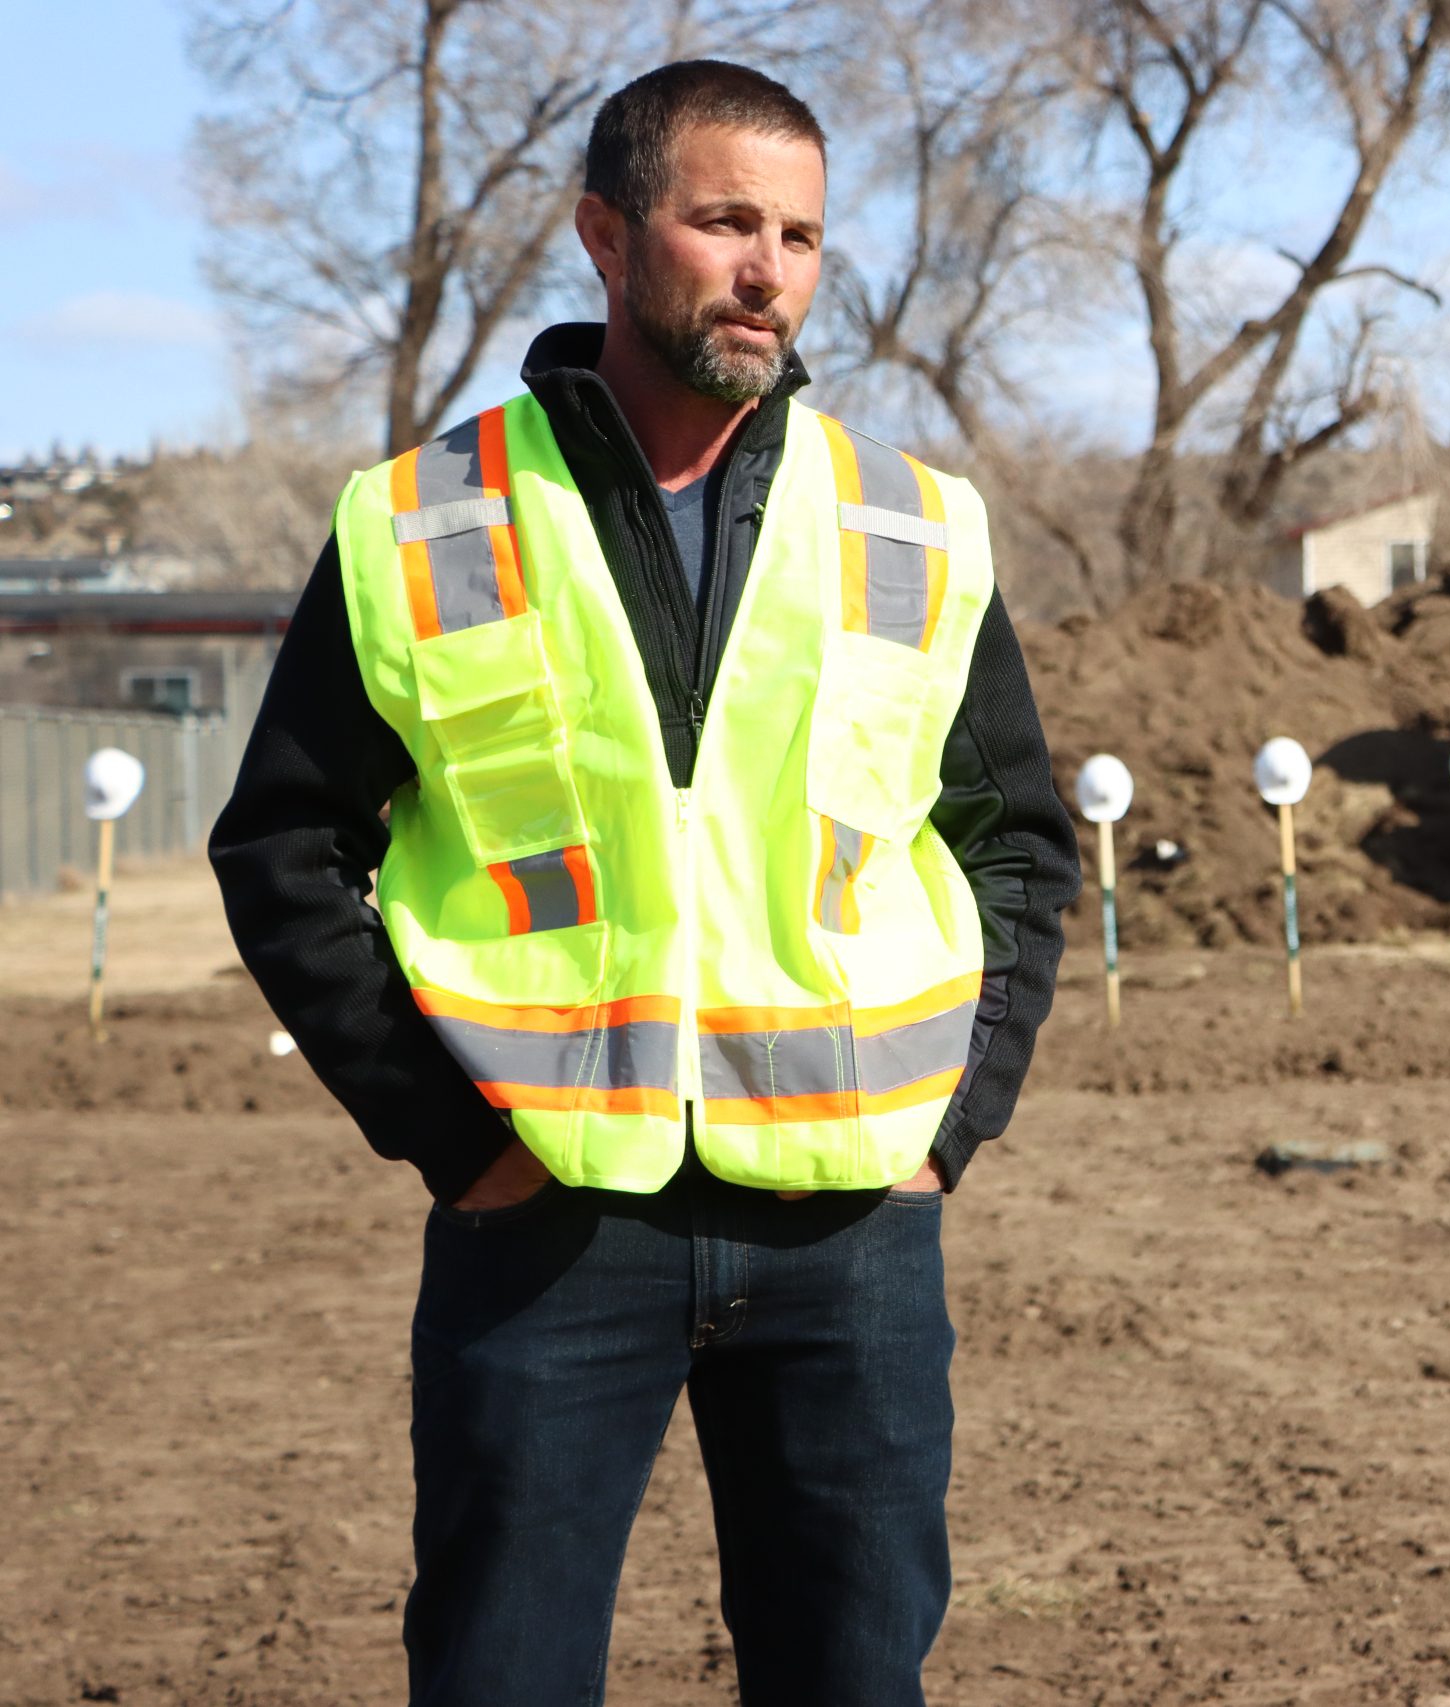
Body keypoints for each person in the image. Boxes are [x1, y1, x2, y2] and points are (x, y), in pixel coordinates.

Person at [208, 59, 1080, 1707]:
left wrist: (948, 1133)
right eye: (726, 222)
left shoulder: (912, 524)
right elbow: (285, 848)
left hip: (849, 1234)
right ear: (605, 235)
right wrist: (454, 1140)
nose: (769, 271)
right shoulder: (424, 519)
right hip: (547, 1230)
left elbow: (1018, 842)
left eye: (801, 237)